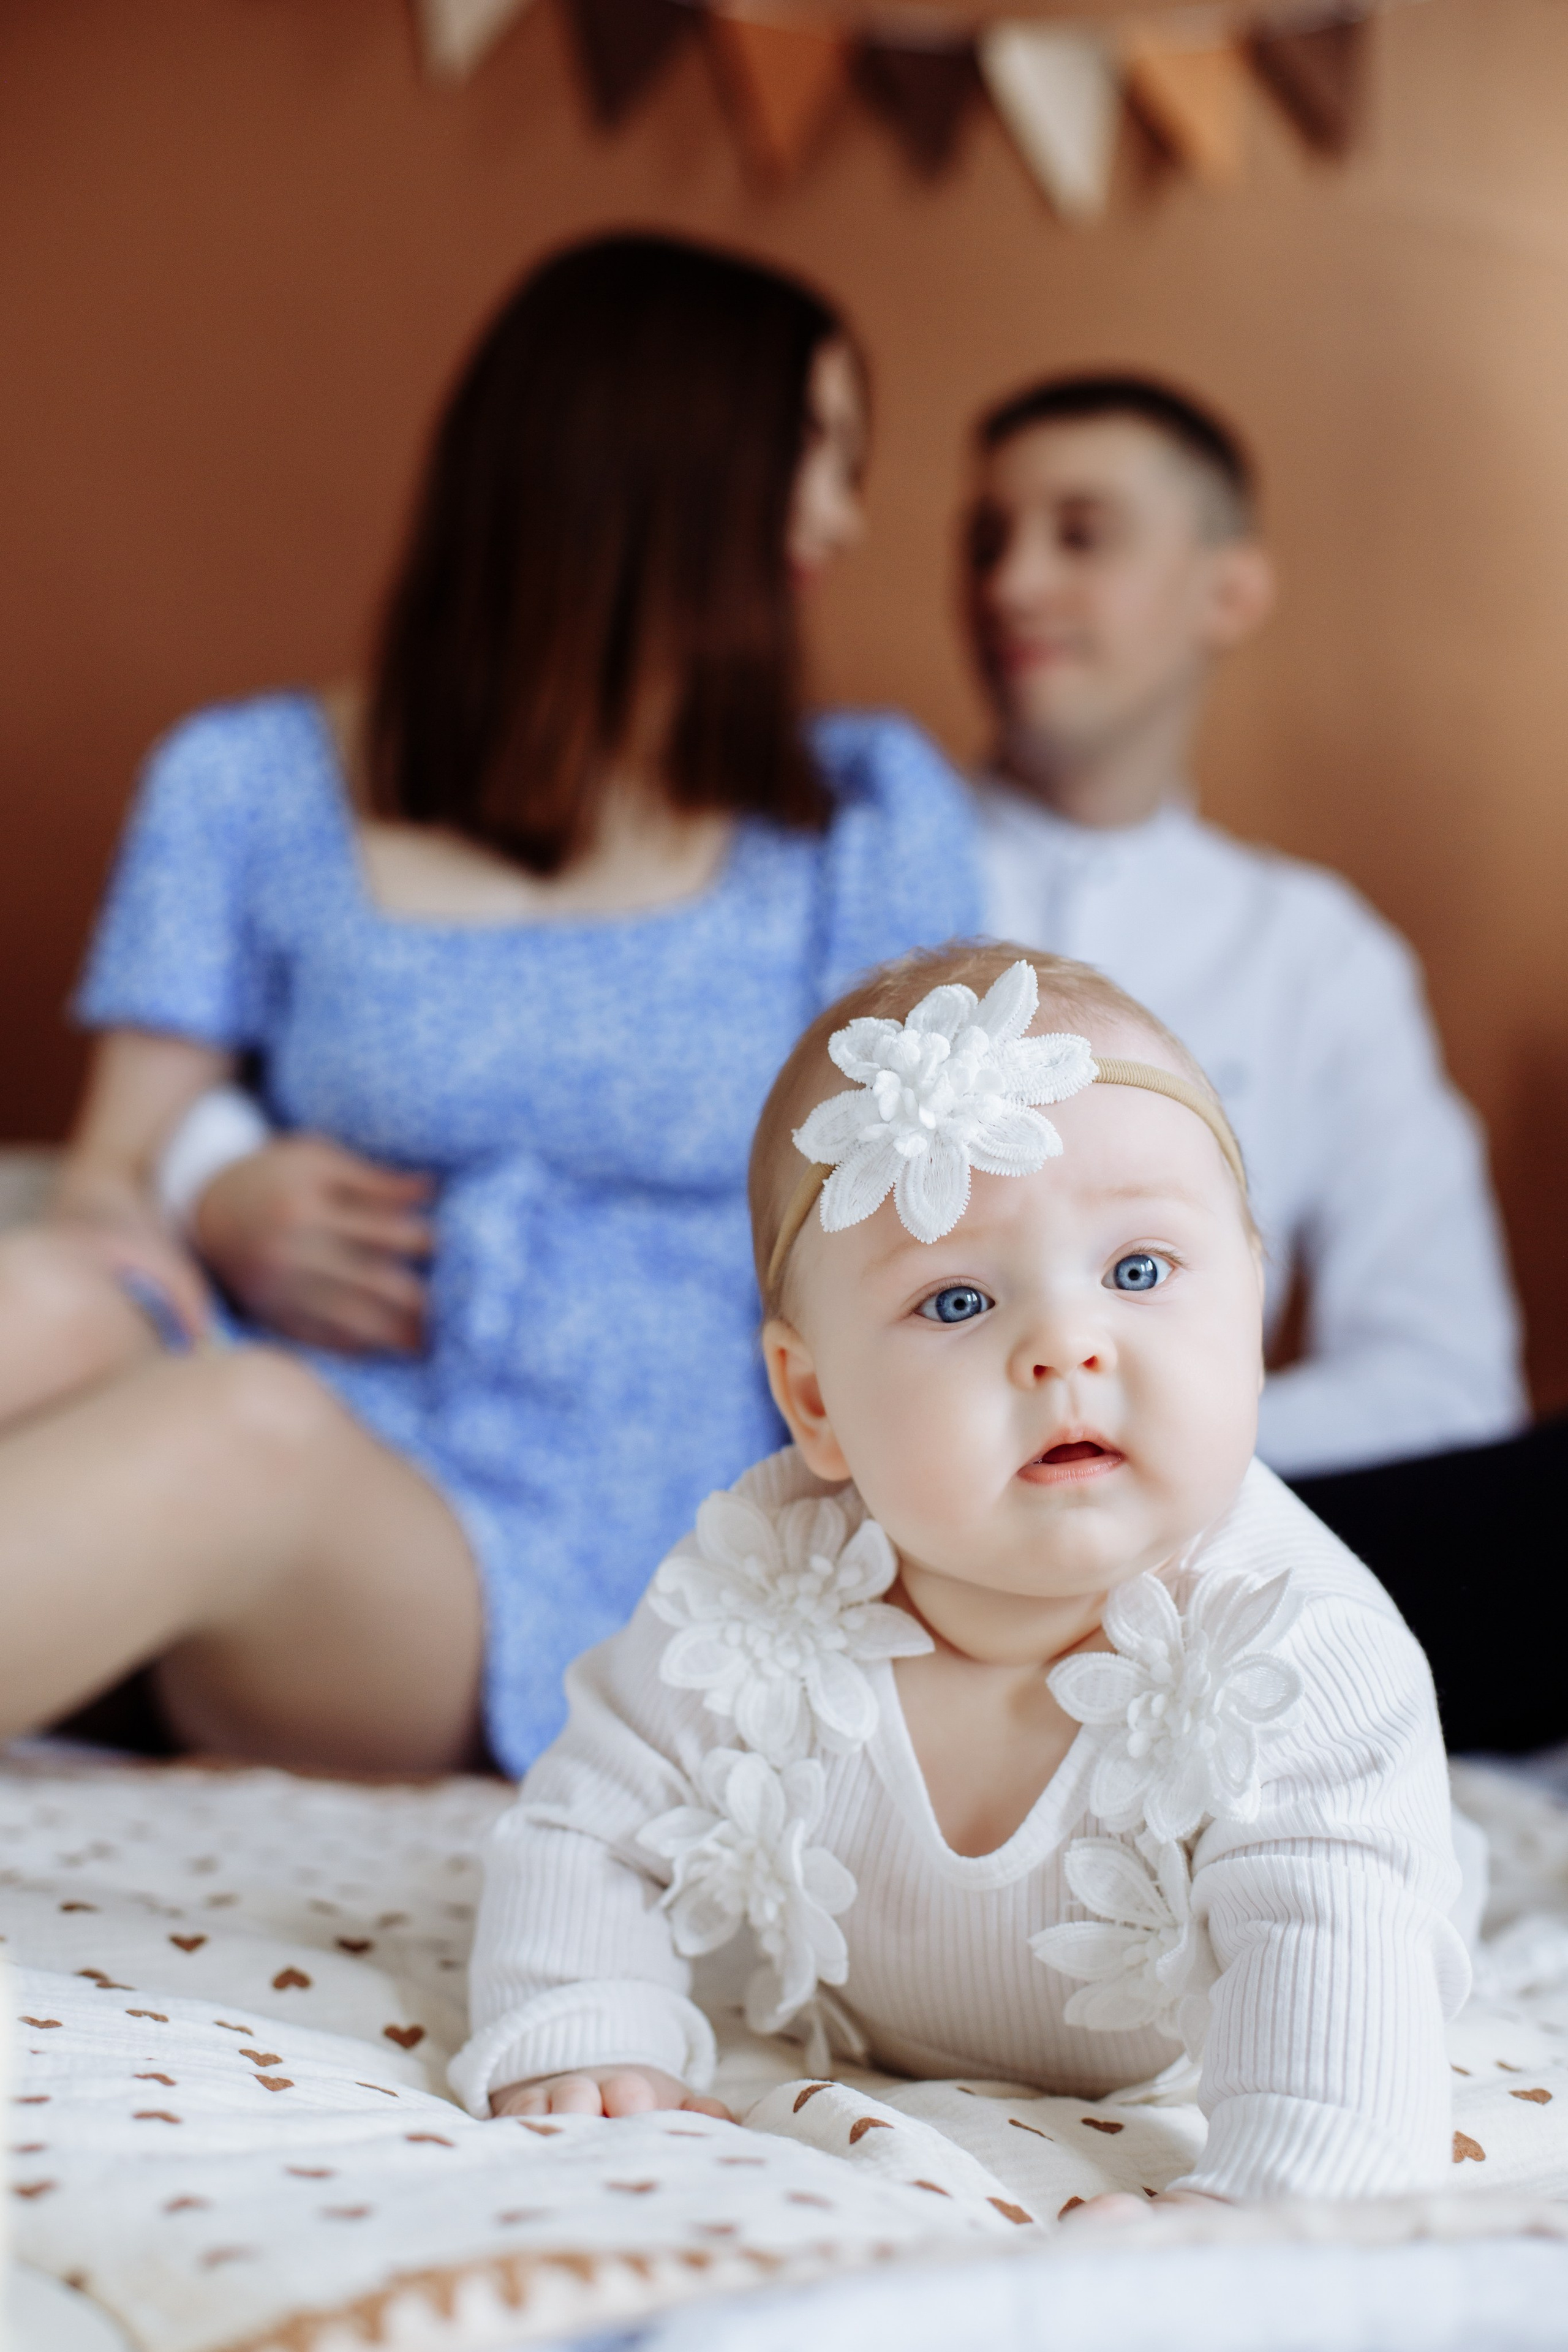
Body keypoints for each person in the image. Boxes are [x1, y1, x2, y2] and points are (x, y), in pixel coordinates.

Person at [0, 233, 978, 1780]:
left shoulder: (861, 821)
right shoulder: (245, 781)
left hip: (573, 1545)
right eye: (812, 449)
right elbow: (112, 1173)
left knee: (242, 1433)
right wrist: (209, 1187)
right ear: (646, 450)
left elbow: (942, 1241)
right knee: (41, 1296)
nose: (843, 517)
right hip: (279, 1382)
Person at [451, 944, 1466, 2215]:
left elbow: (1338, 1972)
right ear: (813, 1401)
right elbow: (591, 1823)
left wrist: (1264, 2204)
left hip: (1232, 1997)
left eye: (1137, 1271)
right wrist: (585, 2023)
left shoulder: (1291, 1651)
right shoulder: (758, 1597)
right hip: (866, 2027)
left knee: (1357, 1885)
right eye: (955, 1302)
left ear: (1251, 1305)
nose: (1064, 1346)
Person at [964, 374, 1525, 1482]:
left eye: (1081, 537)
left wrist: (1123, 1453)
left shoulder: (1320, 956)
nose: (1013, 585)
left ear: (1228, 591)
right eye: (986, 542)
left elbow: (1449, 1378)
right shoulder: (841, 876)